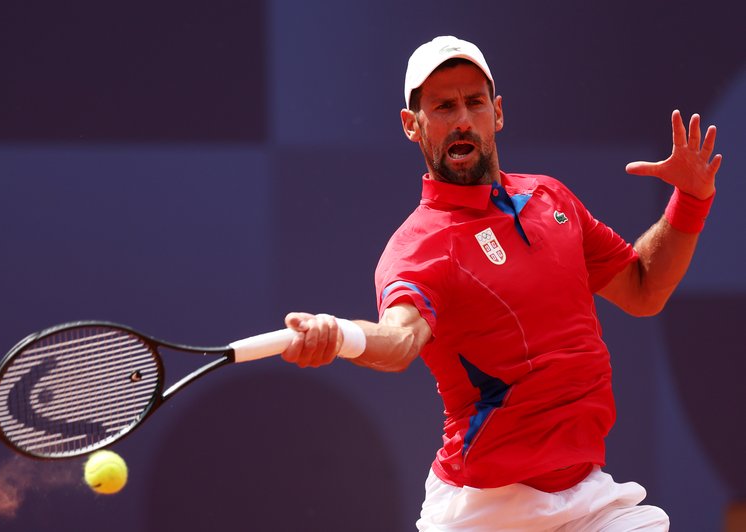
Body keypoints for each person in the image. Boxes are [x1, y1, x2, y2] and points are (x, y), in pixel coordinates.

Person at [280, 35, 721, 531]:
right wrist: (340, 335)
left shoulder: (550, 198)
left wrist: (691, 199)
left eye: (474, 101)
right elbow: (400, 339)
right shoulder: (419, 248)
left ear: (498, 112)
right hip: (482, 510)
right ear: (412, 126)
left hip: (588, 499)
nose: (462, 119)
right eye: (443, 106)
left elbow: (644, 289)